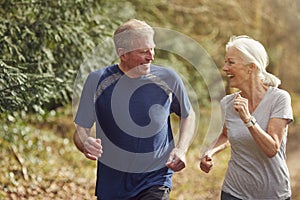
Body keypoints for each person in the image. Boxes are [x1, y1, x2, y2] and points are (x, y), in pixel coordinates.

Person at [73, 19, 195, 200]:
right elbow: (80, 130)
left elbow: (188, 114)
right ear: (123, 54)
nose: (151, 56)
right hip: (112, 185)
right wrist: (85, 143)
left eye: (152, 49)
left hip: (155, 179)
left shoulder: (168, 78)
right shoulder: (97, 81)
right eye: (143, 51)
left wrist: (181, 149)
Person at [200, 35, 293, 200]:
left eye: (231, 62)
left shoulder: (279, 99)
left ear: (251, 67)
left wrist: (248, 120)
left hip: (273, 194)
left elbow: (272, 148)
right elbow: (226, 135)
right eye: (225, 62)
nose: (224, 68)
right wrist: (210, 152)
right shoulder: (228, 103)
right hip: (234, 192)